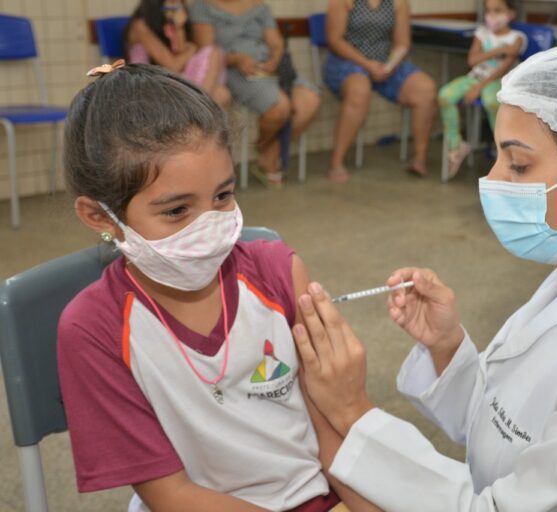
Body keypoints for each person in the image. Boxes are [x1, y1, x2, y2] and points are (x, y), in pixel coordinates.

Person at [292, 45, 557, 511]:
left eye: (518, 164)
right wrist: (446, 346)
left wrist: (354, 413)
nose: (493, 179)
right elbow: (505, 429)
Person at [58, 63, 379, 512]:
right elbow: (172, 495)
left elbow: (332, 429)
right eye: (176, 211)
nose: (210, 227)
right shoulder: (94, 328)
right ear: (100, 217)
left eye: (223, 196)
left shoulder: (279, 273)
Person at [188, 0, 321, 188]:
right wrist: (237, 59)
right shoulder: (202, 7)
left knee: (310, 100)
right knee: (279, 106)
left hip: (268, 68)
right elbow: (206, 52)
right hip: (233, 71)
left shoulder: (259, 6)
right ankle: (268, 154)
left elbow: (276, 43)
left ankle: (265, 147)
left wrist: (275, 60)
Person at [324, 0, 437, 182]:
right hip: (348, 62)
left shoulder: (398, 3)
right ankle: (336, 162)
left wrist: (389, 66)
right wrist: (368, 65)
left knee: (426, 89)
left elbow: (402, 43)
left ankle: (419, 159)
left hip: (385, 63)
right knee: (359, 90)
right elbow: (334, 40)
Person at [438, 0, 525, 179]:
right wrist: (497, 51)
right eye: (488, 10)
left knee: (491, 101)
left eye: (498, 10)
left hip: (499, 81)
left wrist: (479, 87)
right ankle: (457, 146)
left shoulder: (517, 37)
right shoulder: (482, 33)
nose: (492, 15)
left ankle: (502, 150)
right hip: (474, 78)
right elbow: (472, 61)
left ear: (511, 13)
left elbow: (506, 64)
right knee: (445, 96)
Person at [124, 0, 231, 107]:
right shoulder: (140, 26)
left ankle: (199, 105)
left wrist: (179, 26)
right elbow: (174, 66)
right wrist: (191, 50)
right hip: (148, 85)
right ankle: (199, 106)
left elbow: (180, 51)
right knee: (214, 54)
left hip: (169, 79)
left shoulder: (167, 24)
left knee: (222, 93)